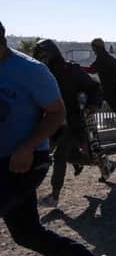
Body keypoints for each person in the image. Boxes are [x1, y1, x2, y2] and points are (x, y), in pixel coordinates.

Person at [0, 21, 108, 256]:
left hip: (29, 157)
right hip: (9, 158)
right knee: (26, 233)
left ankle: (68, 182)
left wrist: (27, 147)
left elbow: (58, 112)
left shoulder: (32, 71)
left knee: (61, 157)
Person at [32, 39, 105, 208]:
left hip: (73, 121)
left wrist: (92, 104)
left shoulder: (71, 70)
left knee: (59, 155)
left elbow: (93, 87)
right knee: (68, 156)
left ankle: (54, 196)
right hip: (51, 123)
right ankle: (97, 161)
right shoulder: (40, 73)